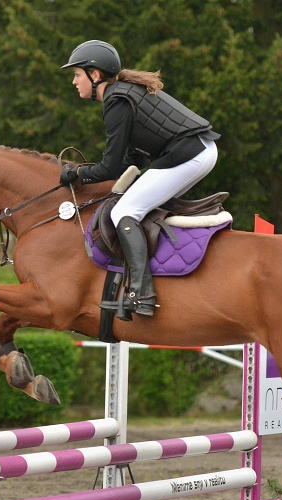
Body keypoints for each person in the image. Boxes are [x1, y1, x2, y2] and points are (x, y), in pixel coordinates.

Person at [59, 40, 219, 319]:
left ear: (95, 75)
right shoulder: (123, 94)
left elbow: (109, 167)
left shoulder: (116, 100)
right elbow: (134, 160)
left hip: (191, 153)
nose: (74, 82)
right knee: (134, 204)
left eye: (77, 74)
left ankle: (141, 293)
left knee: (124, 211)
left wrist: (76, 173)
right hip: (199, 150)